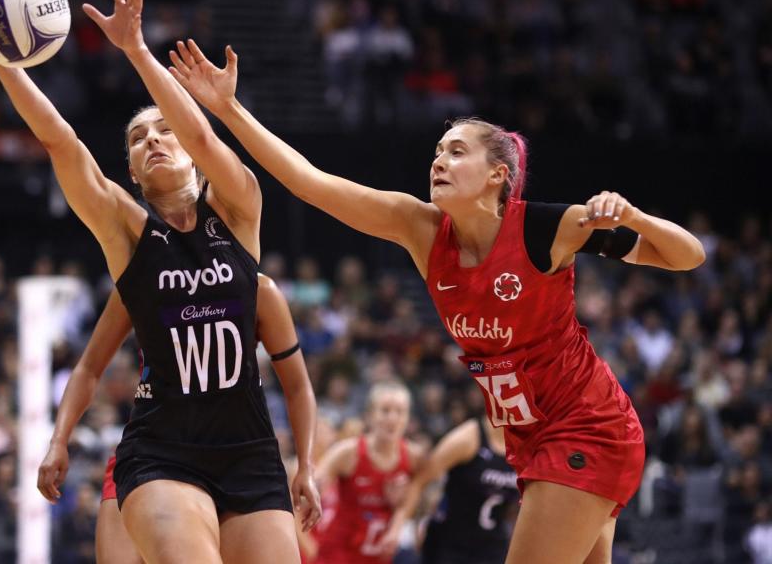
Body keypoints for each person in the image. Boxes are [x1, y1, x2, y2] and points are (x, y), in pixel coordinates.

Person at [166, 38, 706, 563]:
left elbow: (688, 256)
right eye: (436, 153)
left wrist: (632, 217)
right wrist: (229, 109)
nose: (438, 162)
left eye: (456, 151)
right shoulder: (421, 230)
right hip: (529, 438)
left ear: (499, 175)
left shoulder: (548, 228)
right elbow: (309, 182)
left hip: (587, 427)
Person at [0, 0, 311, 562]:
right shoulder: (128, 232)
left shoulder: (239, 207)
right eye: (137, 138)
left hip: (250, 452)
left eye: (163, 130)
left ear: (192, 159)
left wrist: (138, 51)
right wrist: (1, 59)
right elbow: (61, 142)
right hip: (163, 449)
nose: (152, 140)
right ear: (132, 172)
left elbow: (205, 138)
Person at [38, 275, 320, 563]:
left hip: (243, 458)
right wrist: (58, 440)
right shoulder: (140, 278)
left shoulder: (257, 289)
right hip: (158, 455)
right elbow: (88, 368)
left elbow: (298, 386)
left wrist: (306, 465)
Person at [377, 416, 519, 563]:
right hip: (450, 544)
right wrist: (398, 528)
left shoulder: (526, 445)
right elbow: (420, 481)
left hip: (492, 547)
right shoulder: (467, 438)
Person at [312, 381, 424, 563]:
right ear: (370, 416)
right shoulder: (348, 452)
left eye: (400, 412)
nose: (393, 418)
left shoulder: (414, 457)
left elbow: (416, 491)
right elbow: (312, 488)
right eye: (385, 410)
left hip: (378, 555)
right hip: (338, 552)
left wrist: (397, 523)